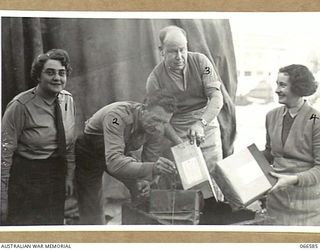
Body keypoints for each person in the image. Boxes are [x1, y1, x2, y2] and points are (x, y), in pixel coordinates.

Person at [75, 90, 177, 225]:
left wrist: (146, 181)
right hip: (90, 151)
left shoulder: (157, 127)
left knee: (142, 191)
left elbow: (150, 159)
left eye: (164, 122)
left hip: (120, 151)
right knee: (92, 210)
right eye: (156, 119)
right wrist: (152, 168)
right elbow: (114, 163)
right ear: (144, 108)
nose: (158, 126)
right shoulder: (117, 116)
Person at [146, 25, 224, 201]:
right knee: (186, 176)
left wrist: (201, 123)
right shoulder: (155, 79)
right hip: (176, 128)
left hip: (207, 122)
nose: (180, 57)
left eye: (183, 50)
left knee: (214, 172)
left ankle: (217, 213)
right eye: (173, 51)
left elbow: (216, 97)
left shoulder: (202, 63)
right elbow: (161, 121)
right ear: (161, 51)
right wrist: (180, 143)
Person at [1, 49, 76, 225]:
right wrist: (2, 197)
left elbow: (69, 143)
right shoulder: (20, 105)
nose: (57, 78)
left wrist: (68, 176)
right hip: (26, 175)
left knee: (53, 227)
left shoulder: (68, 100)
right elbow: (3, 152)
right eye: (50, 72)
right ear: (38, 76)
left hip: (55, 172)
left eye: (61, 73)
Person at [264, 64, 320, 225]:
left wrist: (292, 179)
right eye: (277, 84)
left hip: (307, 209)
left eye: (282, 85)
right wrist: (234, 166)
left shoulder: (316, 120)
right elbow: (270, 153)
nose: (276, 90)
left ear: (298, 88)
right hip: (276, 204)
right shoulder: (271, 116)